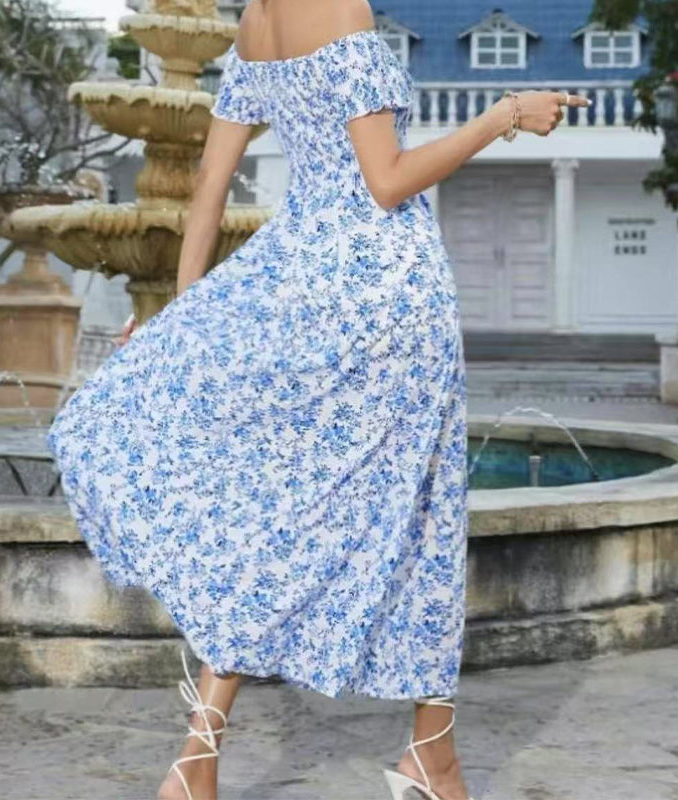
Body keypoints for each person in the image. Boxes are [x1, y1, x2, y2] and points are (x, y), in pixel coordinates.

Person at [49, 1, 589, 799]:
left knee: (282, 516)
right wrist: (505, 115)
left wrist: (186, 315)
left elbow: (209, 184)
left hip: (296, 275)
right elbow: (387, 182)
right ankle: (430, 757)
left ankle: (199, 758)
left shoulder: (256, 22)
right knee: (424, 518)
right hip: (384, 292)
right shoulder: (340, 9)